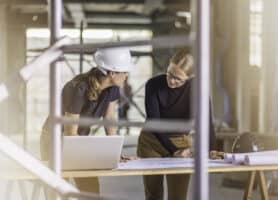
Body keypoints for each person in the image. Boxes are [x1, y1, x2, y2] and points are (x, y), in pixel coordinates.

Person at [40, 47, 134, 193]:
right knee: (58, 188)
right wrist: (92, 153)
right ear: (112, 73)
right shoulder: (78, 89)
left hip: (79, 138)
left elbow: (109, 119)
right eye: (124, 71)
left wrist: (115, 151)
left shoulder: (113, 88)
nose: (127, 75)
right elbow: (70, 134)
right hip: (55, 138)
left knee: (91, 189)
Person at [137, 49, 216, 200]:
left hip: (180, 142)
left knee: (178, 196)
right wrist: (174, 151)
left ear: (190, 77)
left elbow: (207, 123)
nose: (171, 80)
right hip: (152, 142)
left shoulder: (198, 90)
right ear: (168, 66)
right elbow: (155, 123)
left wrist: (211, 150)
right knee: (153, 195)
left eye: (178, 79)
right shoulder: (153, 85)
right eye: (169, 73)